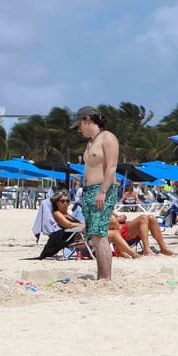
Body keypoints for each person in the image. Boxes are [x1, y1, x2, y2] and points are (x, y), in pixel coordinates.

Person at [72, 105, 119, 280]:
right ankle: (101, 275)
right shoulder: (91, 142)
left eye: (78, 125)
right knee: (94, 234)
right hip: (90, 191)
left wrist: (103, 191)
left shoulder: (107, 137)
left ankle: (105, 278)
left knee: (99, 233)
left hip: (102, 189)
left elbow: (112, 166)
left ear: (87, 120)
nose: (78, 129)